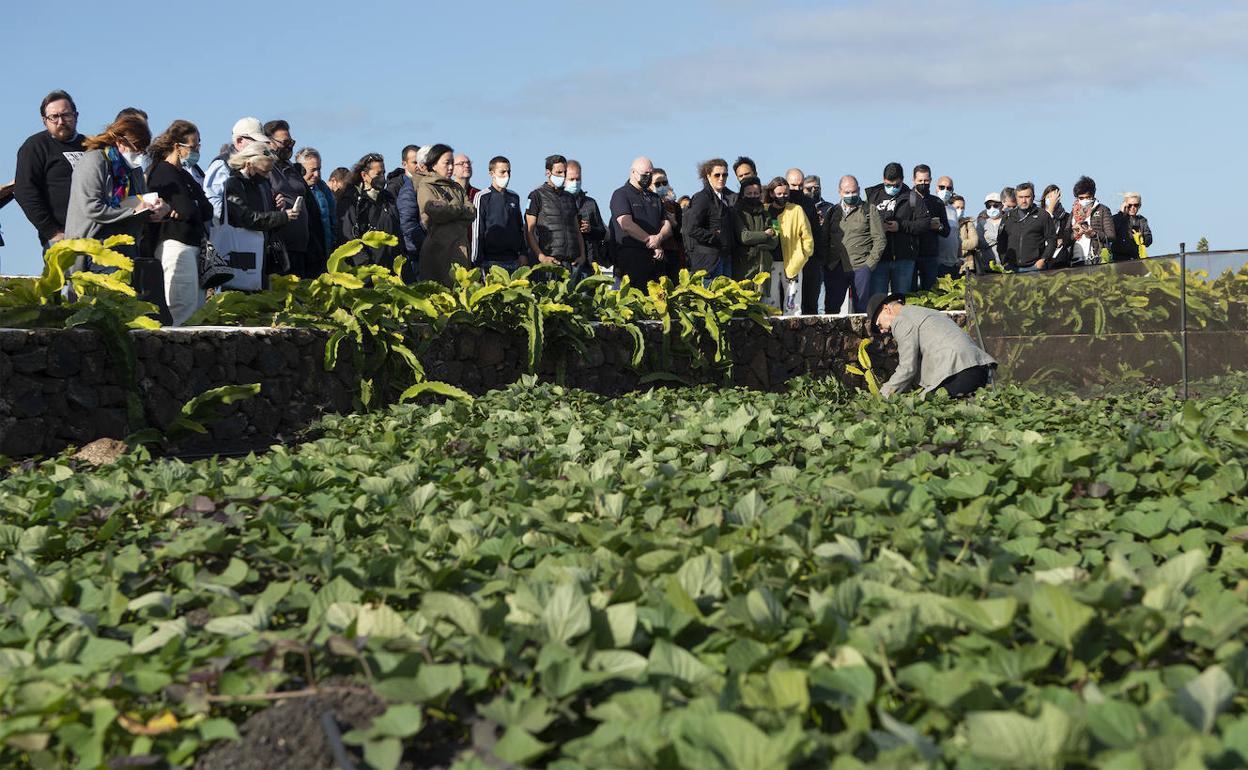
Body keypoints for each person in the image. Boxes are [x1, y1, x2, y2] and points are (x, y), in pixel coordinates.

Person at [64, 113, 169, 263]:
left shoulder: (135, 170)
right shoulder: (94, 160)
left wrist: (158, 210)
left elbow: (142, 202)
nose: (140, 153)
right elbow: (93, 208)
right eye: (137, 147)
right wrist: (133, 212)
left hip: (127, 247)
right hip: (95, 248)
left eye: (143, 150)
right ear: (120, 142)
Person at [146, 120, 214, 325]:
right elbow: (187, 208)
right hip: (177, 245)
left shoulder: (186, 175)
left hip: (194, 245)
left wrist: (189, 207)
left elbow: (207, 209)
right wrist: (188, 208)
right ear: (177, 147)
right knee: (182, 308)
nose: (197, 150)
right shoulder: (163, 172)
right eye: (193, 147)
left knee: (197, 310)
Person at [867, 292, 997, 398]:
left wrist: (882, 396)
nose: (883, 331)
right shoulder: (923, 311)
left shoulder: (901, 320)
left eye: (879, 325)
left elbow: (907, 368)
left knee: (919, 409)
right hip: (978, 369)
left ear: (886, 309)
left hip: (957, 375)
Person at [219, 143, 298, 290]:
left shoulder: (263, 185)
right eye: (263, 171)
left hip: (263, 256)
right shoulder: (234, 184)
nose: (266, 176)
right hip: (240, 253)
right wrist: (281, 216)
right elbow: (246, 217)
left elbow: (267, 219)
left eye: (268, 172)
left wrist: (280, 212)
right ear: (249, 164)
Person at [14, 90, 86, 249]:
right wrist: (52, 232)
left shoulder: (91, 146)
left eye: (66, 115)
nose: (60, 121)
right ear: (44, 121)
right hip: (62, 237)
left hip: (96, 235)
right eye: (54, 117)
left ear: (76, 116)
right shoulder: (35, 146)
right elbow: (24, 191)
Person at [263, 119, 317, 278]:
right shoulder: (266, 169)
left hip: (301, 249)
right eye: (285, 142)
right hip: (279, 250)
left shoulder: (293, 169)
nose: (289, 146)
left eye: (291, 142)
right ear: (269, 142)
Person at [417, 144, 477, 286]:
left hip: (461, 249)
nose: (450, 167)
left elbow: (472, 211)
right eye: (446, 163)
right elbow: (436, 212)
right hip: (439, 251)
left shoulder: (456, 188)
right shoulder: (427, 186)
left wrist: (450, 209)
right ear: (434, 164)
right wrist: (459, 209)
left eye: (452, 163)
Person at [824, 175, 885, 314]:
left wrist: (869, 265)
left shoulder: (869, 210)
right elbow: (824, 239)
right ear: (840, 192)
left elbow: (880, 239)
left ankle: (862, 336)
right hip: (836, 266)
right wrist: (826, 263)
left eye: (853, 191)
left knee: (861, 310)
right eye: (847, 192)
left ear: (858, 190)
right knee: (831, 309)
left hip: (860, 267)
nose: (851, 195)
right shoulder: (832, 211)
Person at [609, 157, 671, 288]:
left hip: (654, 264)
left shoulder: (654, 198)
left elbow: (667, 225)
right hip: (630, 262)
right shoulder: (621, 194)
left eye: (650, 174)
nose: (648, 177)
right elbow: (626, 224)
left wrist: (659, 238)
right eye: (644, 174)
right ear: (633, 172)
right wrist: (650, 241)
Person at [865, 162, 923, 296]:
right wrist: (878, 228)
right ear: (883, 180)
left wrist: (901, 226)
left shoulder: (913, 197)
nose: (892, 188)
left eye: (896, 185)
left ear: (902, 180)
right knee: (877, 299)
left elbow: (924, 224)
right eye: (888, 185)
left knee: (901, 299)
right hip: (879, 258)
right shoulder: (873, 197)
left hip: (904, 259)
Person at [338, 153, 402, 269]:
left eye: (383, 173)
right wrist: (364, 263)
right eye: (378, 174)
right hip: (367, 268)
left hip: (391, 265)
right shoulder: (351, 200)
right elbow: (348, 234)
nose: (382, 177)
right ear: (364, 175)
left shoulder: (387, 197)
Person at [525, 154, 585, 273]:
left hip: (571, 263)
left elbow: (577, 230)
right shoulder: (536, 196)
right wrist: (541, 257)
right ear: (548, 173)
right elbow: (529, 231)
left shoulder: (570, 198)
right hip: (548, 264)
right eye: (558, 172)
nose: (562, 176)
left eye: (564, 172)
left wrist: (582, 256)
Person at [203, 117, 270, 224]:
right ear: (239, 141)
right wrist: (240, 221)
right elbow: (213, 202)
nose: (261, 146)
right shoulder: (222, 164)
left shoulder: (257, 165)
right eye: (256, 141)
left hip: (258, 236)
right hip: (235, 237)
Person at [763, 176, 813, 316]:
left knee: (793, 303)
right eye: (779, 194)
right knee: (770, 301)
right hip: (770, 262)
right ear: (772, 194)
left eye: (785, 193)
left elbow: (807, 236)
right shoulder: (764, 210)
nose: (782, 196)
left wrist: (803, 256)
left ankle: (795, 332)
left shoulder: (796, 210)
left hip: (793, 262)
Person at [682, 158, 737, 281]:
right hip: (708, 262)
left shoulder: (725, 198)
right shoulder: (702, 198)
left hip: (724, 258)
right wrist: (714, 236)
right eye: (717, 175)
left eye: (725, 175)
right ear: (708, 176)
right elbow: (691, 228)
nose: (721, 178)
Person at [471, 156, 528, 272]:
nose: (506, 175)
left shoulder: (514, 197)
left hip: (513, 260)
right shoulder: (482, 197)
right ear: (492, 173)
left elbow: (520, 228)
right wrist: (476, 261)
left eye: (508, 171)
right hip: (490, 261)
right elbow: (477, 230)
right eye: (502, 172)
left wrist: (523, 253)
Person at [786, 167, 827, 314]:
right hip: (789, 261)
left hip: (810, 259)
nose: (796, 188)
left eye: (800, 185)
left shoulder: (809, 203)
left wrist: (818, 257)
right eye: (793, 185)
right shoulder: (782, 202)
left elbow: (816, 231)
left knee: (810, 304)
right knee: (791, 305)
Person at [732, 175, 778, 289]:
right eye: (749, 193)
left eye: (756, 193)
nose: (753, 196)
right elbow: (745, 237)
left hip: (764, 268)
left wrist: (756, 242)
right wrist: (765, 235)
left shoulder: (767, 214)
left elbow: (775, 240)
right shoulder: (736, 212)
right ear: (742, 194)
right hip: (744, 267)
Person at [909, 164, 950, 291]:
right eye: (920, 181)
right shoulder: (907, 200)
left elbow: (946, 231)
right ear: (914, 181)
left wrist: (938, 227)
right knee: (910, 292)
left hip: (930, 255)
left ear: (931, 180)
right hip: (910, 253)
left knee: (930, 292)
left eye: (926, 181)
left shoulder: (937, 202)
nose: (923, 183)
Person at [999, 182, 1056, 272]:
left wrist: (1043, 259)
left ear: (1033, 197)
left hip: (1035, 267)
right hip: (1012, 268)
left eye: (1027, 197)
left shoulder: (1043, 215)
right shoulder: (1008, 216)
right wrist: (1004, 261)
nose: (1024, 200)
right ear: (1016, 198)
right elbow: (1001, 241)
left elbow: (1052, 241)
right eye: (1020, 197)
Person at [566, 160, 608, 272]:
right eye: (571, 179)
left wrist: (590, 229)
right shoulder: (556, 203)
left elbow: (602, 232)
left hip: (588, 264)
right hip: (566, 262)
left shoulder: (590, 203)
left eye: (578, 179)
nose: (575, 183)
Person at [297, 147, 338, 261]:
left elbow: (333, 219)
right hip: (303, 253)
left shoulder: (323, 188)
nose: (317, 174)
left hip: (324, 251)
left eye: (319, 169)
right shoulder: (292, 188)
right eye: (313, 170)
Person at [394, 145, 428, 277]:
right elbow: (407, 223)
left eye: (421, 162)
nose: (418, 166)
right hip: (415, 254)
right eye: (414, 162)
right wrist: (425, 245)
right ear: (404, 164)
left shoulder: (425, 184)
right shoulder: (404, 188)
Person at [1069, 176, 1116, 266]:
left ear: (1093, 195)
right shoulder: (1073, 212)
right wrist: (1075, 234)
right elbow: (1066, 238)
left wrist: (1093, 234)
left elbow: (1111, 236)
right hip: (1076, 260)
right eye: (1081, 198)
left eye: (1087, 197)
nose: (1084, 201)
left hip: (1096, 259)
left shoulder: (1102, 209)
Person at [651, 168, 685, 277]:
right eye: (657, 184)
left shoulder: (674, 206)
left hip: (673, 252)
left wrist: (672, 218)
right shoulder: (648, 205)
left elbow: (680, 231)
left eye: (664, 183)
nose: (661, 186)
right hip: (655, 253)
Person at [934, 176, 961, 280]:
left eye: (949, 188)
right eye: (942, 187)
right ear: (936, 188)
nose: (945, 190)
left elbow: (956, 236)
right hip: (938, 264)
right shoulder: (932, 205)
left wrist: (959, 258)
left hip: (953, 264)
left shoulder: (953, 210)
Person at [1112, 193, 1152, 262]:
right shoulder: (1117, 218)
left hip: (1137, 258)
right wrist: (1121, 213)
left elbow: (1149, 240)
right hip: (1118, 259)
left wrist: (1141, 238)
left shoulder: (1142, 220)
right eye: (1129, 205)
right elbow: (1112, 232)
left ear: (1139, 206)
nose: (1132, 208)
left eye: (1136, 205)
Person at [1041, 184, 1071, 268]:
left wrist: (1062, 240)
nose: (1052, 199)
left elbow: (1069, 234)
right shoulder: (1038, 215)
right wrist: (1051, 208)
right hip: (1042, 256)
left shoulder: (1066, 217)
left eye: (1055, 197)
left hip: (1060, 258)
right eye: (1049, 196)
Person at [975, 193, 1006, 274]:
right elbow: (981, 243)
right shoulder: (982, 223)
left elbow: (1010, 239)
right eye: (988, 206)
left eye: (995, 205)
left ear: (1002, 206)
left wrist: (989, 237)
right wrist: (999, 238)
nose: (992, 208)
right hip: (987, 267)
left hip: (1006, 266)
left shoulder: (1008, 221)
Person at [950, 195, 979, 274]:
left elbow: (974, 242)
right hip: (949, 263)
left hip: (966, 266)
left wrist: (954, 242)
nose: (960, 210)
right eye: (957, 207)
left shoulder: (968, 223)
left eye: (962, 208)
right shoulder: (946, 222)